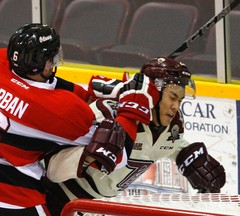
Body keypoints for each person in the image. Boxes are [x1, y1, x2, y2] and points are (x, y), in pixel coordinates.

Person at [0, 23, 150, 215]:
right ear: (42, 63)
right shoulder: (60, 111)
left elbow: (42, 85)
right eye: (52, 58)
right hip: (13, 202)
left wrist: (88, 94)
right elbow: (116, 153)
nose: (55, 62)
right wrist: (132, 109)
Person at [42, 57, 226, 216]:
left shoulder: (173, 127)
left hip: (92, 206)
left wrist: (189, 157)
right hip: (56, 199)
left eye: (180, 100)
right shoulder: (108, 113)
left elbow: (171, 146)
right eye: (172, 97)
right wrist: (88, 155)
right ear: (153, 93)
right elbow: (49, 164)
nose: (175, 106)